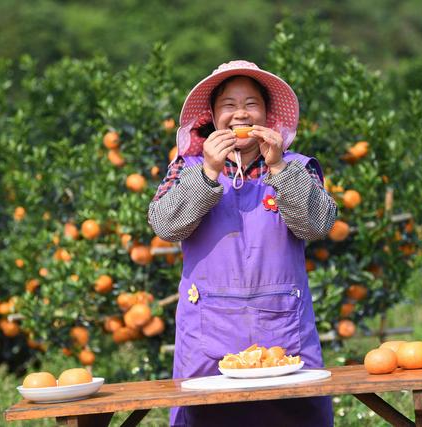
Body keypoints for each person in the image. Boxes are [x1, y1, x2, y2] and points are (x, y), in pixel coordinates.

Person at [148, 60, 337, 427]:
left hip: (284, 336)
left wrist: (279, 168)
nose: (240, 113)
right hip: (207, 336)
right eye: (229, 105)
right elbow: (165, 225)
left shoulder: (296, 166)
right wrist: (208, 173)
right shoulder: (186, 167)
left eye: (251, 104)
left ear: (267, 115)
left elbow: (317, 225)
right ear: (213, 116)